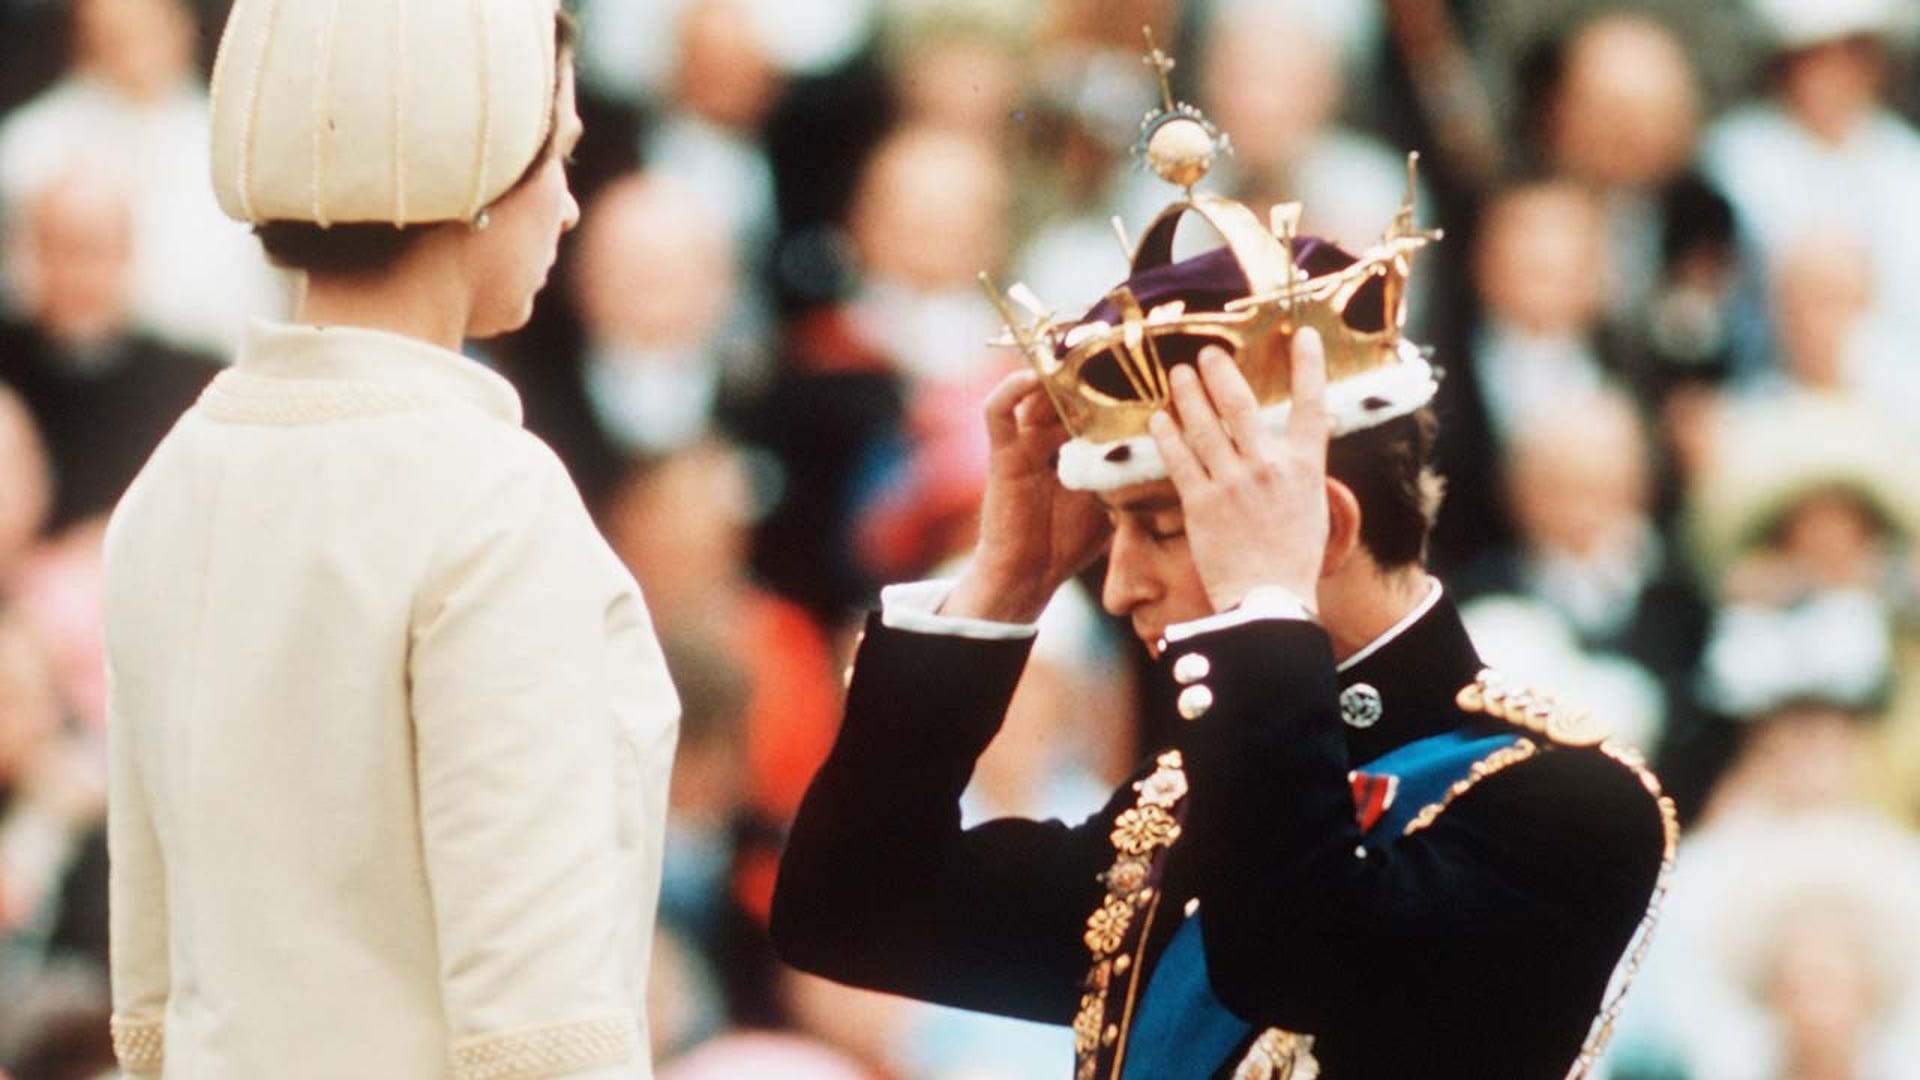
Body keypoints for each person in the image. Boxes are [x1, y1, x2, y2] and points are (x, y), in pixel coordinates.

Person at [772, 66, 1674, 1079]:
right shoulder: (1177, 812)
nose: (1116, 589)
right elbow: (846, 912)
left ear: (1322, 527)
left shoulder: (1564, 806)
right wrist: (1002, 583)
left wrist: (1262, 613)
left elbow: (1292, 947)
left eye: (1163, 528)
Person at [101, 3, 678, 1078]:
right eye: (554, 155)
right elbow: (538, 1030)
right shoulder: (490, 500)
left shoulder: (171, 478)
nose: (565, 205)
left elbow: (147, 1004)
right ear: (471, 170)